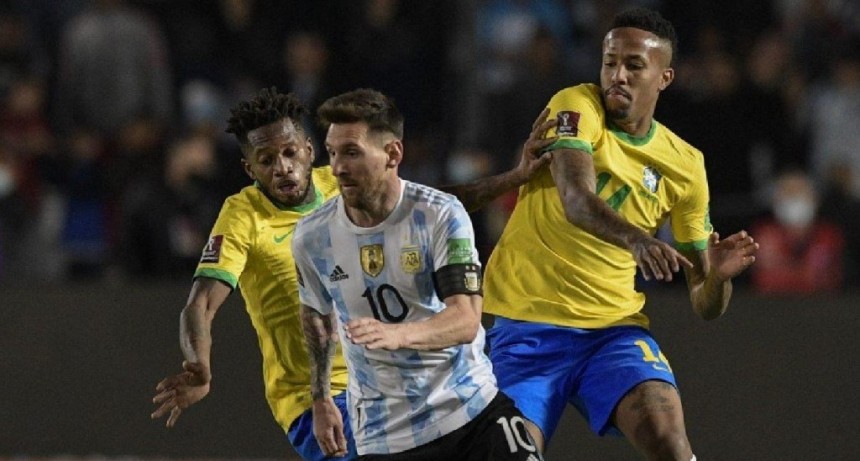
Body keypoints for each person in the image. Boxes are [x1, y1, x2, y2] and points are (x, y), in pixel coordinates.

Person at [150, 87, 554, 460]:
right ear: (249, 168)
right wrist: (199, 363)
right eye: (266, 160)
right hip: (316, 398)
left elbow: (432, 204)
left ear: (310, 150)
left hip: (396, 379)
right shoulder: (243, 217)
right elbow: (201, 302)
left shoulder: (342, 180)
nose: (283, 168)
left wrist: (515, 178)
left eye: (290, 153)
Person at [482, 8, 760, 460]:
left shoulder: (685, 165)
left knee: (669, 440)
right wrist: (638, 239)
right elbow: (576, 200)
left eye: (634, 65)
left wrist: (717, 278)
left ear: (664, 77)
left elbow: (705, 305)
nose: (618, 76)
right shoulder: (576, 105)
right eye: (610, 62)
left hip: (611, 335)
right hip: (526, 330)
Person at [292, 88, 544, 460]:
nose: (337, 168)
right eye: (332, 152)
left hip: (470, 409)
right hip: (385, 434)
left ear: (393, 154)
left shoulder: (439, 215)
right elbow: (315, 314)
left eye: (351, 152)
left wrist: (396, 334)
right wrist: (321, 398)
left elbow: (465, 320)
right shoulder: (313, 236)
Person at [750, 169, 844, 294]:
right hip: (772, 303)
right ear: (775, 200)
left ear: (815, 199)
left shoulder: (828, 234)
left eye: (800, 192)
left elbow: (823, 278)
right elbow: (766, 279)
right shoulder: (764, 235)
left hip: (821, 303)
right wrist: (801, 272)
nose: (794, 198)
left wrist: (786, 268)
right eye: (788, 193)